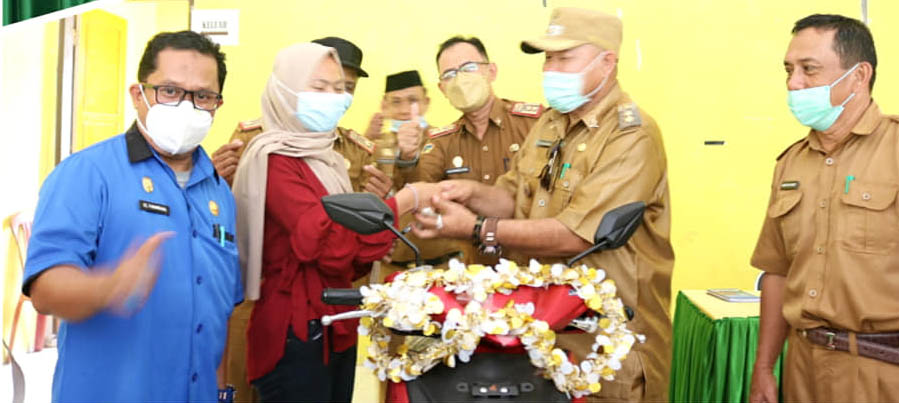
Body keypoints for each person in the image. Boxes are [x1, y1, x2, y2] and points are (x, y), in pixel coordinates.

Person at [412, 8, 673, 401]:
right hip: (546, 334)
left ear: (607, 62)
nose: (551, 69)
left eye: (564, 58)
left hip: (607, 342)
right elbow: (513, 196)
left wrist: (476, 229)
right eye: (548, 58)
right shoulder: (551, 122)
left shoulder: (631, 135)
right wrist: (466, 192)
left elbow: (576, 235)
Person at [21, 31, 242, 402]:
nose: (187, 107)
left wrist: (221, 392)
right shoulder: (87, 173)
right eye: (169, 91)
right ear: (138, 95)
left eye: (202, 96)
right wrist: (106, 287)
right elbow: (44, 292)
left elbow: (219, 311)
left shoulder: (218, 190)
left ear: (217, 104)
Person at [231, 42, 437, 403]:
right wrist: (402, 202)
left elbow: (355, 255)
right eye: (319, 87)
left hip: (336, 320)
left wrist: (378, 218)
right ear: (286, 90)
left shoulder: (327, 160)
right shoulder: (274, 159)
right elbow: (325, 246)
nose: (333, 97)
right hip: (295, 326)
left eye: (340, 88)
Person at [749, 14, 899, 403]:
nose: (793, 83)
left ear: (859, 75)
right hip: (803, 366)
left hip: (881, 370)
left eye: (809, 69)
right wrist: (764, 367)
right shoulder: (791, 163)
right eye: (789, 70)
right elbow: (777, 271)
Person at [396, 35, 543, 265]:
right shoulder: (442, 141)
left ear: (491, 71)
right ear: (442, 89)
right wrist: (408, 156)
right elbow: (421, 191)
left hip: (532, 265)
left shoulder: (535, 124)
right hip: (472, 270)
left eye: (469, 68)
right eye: (449, 74)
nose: (460, 79)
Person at [212, 36, 391, 198]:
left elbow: (364, 216)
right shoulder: (252, 138)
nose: (334, 96)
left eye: (346, 88)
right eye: (319, 86)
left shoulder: (359, 151)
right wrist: (216, 182)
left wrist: (380, 202)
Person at [371, 70, 463, 275]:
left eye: (412, 101)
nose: (404, 110)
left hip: (444, 266)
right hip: (391, 268)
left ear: (426, 102)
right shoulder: (374, 148)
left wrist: (409, 156)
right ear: (384, 105)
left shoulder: (446, 141)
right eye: (396, 102)